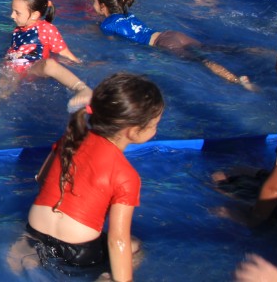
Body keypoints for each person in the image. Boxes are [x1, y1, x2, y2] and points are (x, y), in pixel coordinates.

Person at [9, 73, 164, 281]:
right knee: (135, 247)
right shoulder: (126, 175)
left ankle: (27, 254)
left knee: (41, 248)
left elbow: (42, 179)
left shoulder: (71, 138)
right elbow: (118, 240)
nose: (155, 130)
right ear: (134, 131)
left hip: (35, 232)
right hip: (79, 252)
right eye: (154, 125)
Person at [92, 0, 252, 89]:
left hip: (163, 43)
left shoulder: (107, 25)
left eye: (94, 1)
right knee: (213, 48)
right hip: (170, 34)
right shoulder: (128, 13)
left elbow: (112, 45)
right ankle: (254, 51)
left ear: (103, 6)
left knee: (200, 61)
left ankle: (237, 80)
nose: (93, 5)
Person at [213, 30, 277, 227]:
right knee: (239, 170)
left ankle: (274, 231)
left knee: (218, 181)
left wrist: (253, 221)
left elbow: (276, 188)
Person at [0, 0, 91, 113]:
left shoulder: (46, 29)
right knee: (2, 84)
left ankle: (83, 89)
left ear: (35, 15)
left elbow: (65, 53)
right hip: (13, 68)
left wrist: (80, 66)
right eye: (12, 11)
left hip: (33, 68)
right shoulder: (18, 30)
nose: (11, 16)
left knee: (49, 64)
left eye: (17, 13)